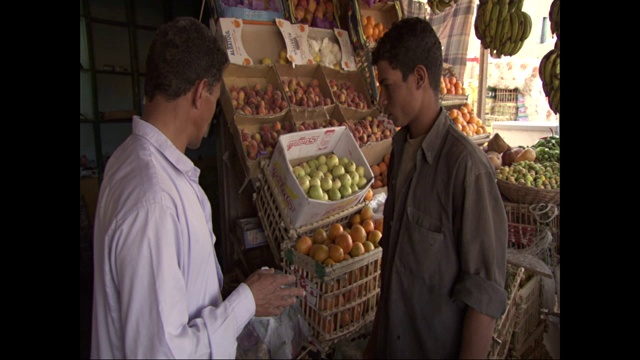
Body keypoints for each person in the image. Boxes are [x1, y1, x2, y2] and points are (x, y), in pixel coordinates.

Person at [91, 17, 305, 359]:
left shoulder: (128, 160)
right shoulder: (153, 201)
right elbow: (161, 351)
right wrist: (246, 302)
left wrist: (242, 299)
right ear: (199, 92)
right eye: (216, 98)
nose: (213, 114)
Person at [363, 17, 508, 359]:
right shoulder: (399, 153)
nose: (381, 99)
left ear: (419, 78)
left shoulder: (467, 170)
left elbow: (483, 297)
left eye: (387, 85)